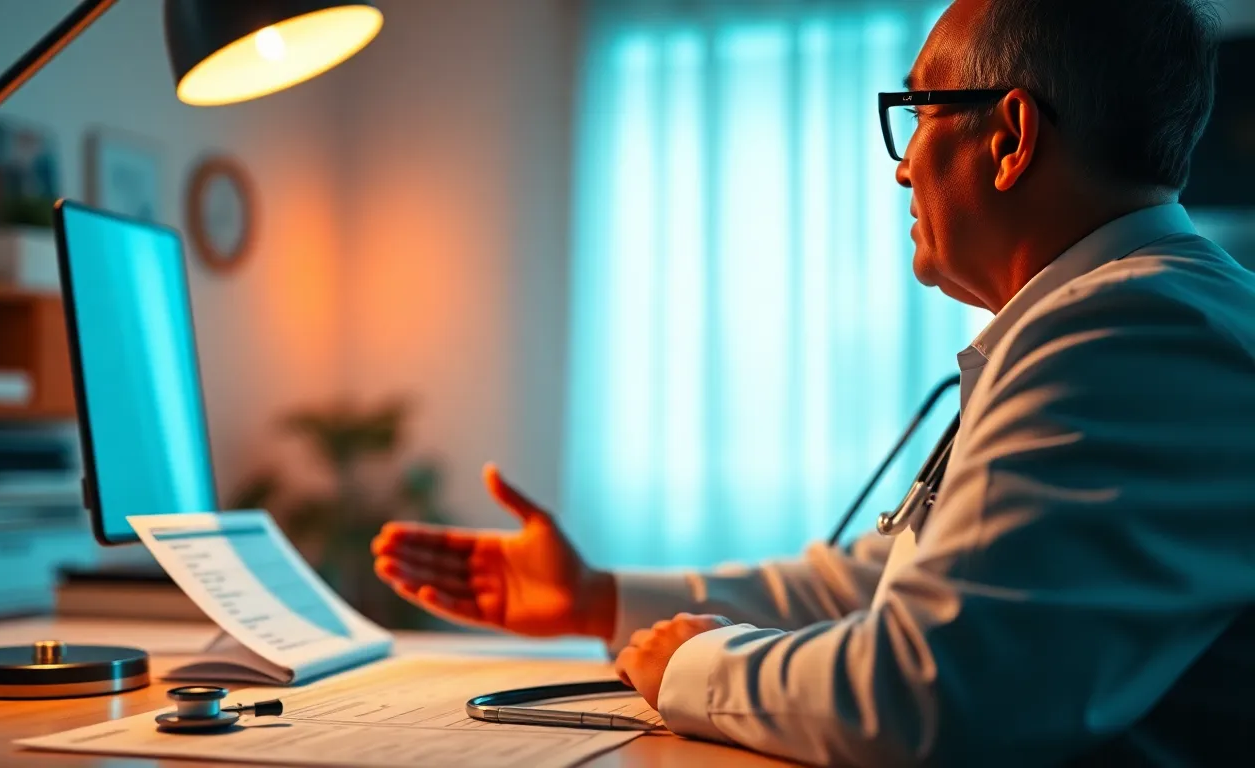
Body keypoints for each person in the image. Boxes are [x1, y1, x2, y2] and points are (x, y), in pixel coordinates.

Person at [372, 0, 1255, 764]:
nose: (904, 165)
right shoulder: (1129, 316)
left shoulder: (1130, 334)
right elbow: (883, 582)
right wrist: (598, 596)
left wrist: (695, 666)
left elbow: (927, 693)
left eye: (917, 112)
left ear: (1011, 137)